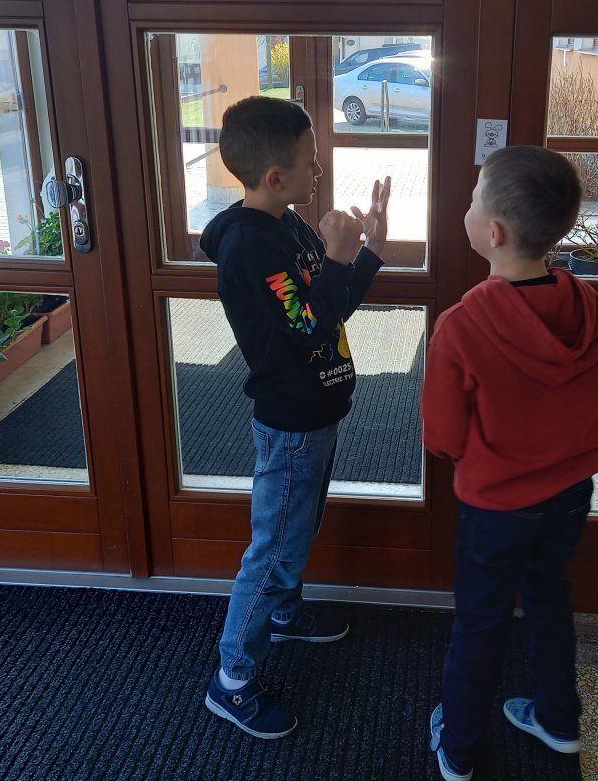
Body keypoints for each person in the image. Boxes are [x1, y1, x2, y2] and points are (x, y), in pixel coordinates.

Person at [198, 96, 391, 739]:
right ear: (275, 176)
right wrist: (336, 257)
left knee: (297, 530)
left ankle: (282, 613)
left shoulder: (291, 226)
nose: (319, 172)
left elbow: (333, 311)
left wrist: (367, 251)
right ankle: (231, 679)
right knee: (275, 544)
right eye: (311, 162)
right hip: (290, 421)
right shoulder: (250, 246)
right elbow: (308, 325)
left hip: (318, 408)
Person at [421, 145, 598, 780]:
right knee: (549, 598)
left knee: (480, 623)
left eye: (474, 197)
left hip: (497, 507)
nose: (468, 206)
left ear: (494, 232)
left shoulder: (462, 325)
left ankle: (457, 747)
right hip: (570, 492)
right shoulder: (586, 304)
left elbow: (443, 436)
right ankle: (559, 720)